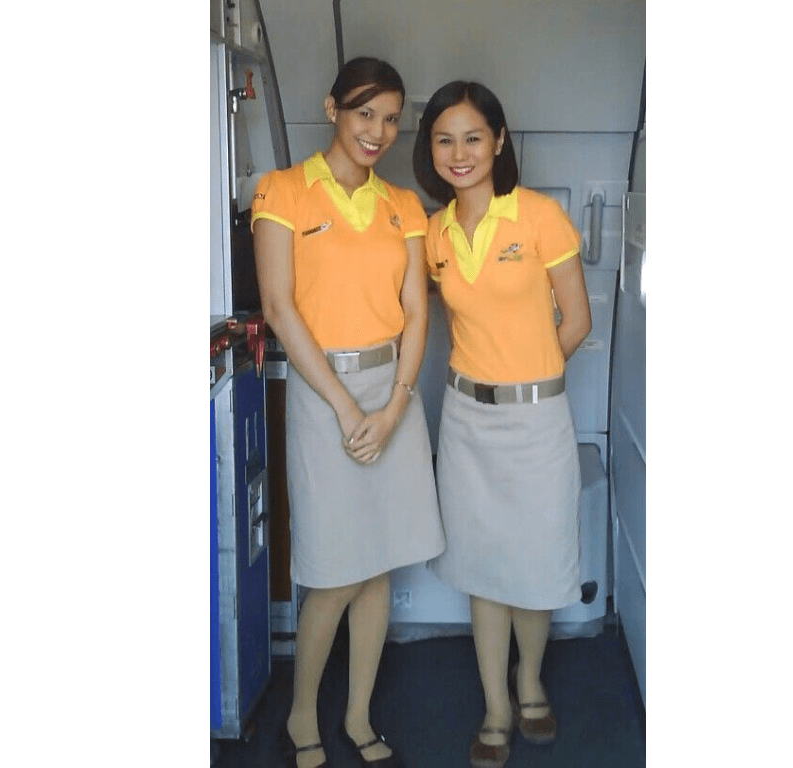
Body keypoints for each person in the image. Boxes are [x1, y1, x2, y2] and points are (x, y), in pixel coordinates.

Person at [252, 57, 445, 768]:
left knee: (379, 567)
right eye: (366, 113)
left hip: (390, 392)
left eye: (392, 118)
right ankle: (303, 716)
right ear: (333, 107)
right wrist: (341, 405)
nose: (379, 131)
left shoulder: (404, 206)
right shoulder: (285, 192)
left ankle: (359, 716)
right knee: (336, 570)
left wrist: (396, 407)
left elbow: (418, 311)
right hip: (320, 393)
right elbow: (279, 307)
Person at [412, 81, 591, 768]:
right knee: (484, 566)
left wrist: (531, 372)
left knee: (536, 558)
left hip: (538, 418)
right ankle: (494, 705)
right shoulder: (433, 232)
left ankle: (529, 680)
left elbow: (576, 320)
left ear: (500, 140)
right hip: (464, 419)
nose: (460, 153)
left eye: (473, 137)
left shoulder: (541, 217)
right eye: (444, 139)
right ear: (432, 149)